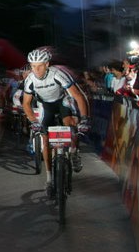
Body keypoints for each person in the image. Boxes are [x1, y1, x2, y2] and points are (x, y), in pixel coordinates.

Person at [22, 49, 91, 197]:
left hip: (62, 101)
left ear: (47, 64)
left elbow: (78, 96)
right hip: (47, 106)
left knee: (70, 123)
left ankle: (74, 152)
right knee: (45, 139)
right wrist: (33, 121)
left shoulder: (57, 74)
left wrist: (85, 118)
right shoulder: (30, 80)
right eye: (33, 66)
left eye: (39, 66)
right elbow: (26, 104)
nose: (36, 70)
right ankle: (49, 178)